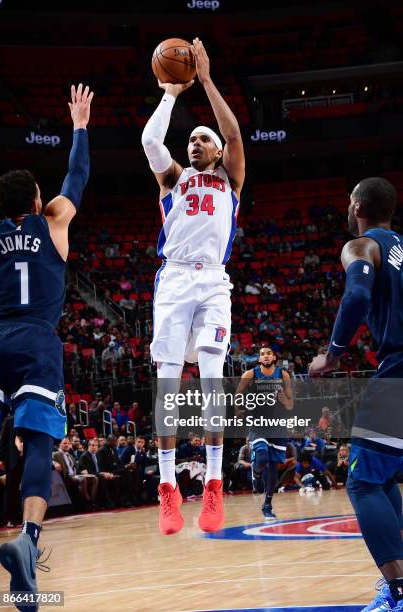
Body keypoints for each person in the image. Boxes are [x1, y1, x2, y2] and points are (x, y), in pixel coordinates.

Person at [141, 38, 245, 535]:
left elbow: (233, 130)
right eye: (191, 141)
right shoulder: (174, 181)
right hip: (175, 279)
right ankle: (167, 489)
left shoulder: (231, 178)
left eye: (203, 139)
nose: (195, 143)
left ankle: (214, 486)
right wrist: (172, 94)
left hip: (213, 283)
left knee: (209, 380)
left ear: (219, 151)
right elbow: (150, 143)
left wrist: (205, 79)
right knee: (166, 383)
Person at [0, 83, 93, 607]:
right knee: (37, 445)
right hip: (37, 344)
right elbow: (76, 177)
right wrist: (79, 126)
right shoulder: (53, 219)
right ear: (37, 200)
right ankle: (28, 543)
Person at [309, 177, 403, 611]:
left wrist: (332, 355)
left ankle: (399, 592)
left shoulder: (363, 247)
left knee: (363, 480)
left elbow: (356, 297)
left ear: (359, 206)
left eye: (349, 201)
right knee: (383, 476)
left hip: (399, 371)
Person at [235, 346, 293, 520]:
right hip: (258, 423)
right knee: (261, 456)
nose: (265, 356)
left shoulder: (283, 375)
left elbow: (291, 404)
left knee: (274, 466)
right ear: (259, 359)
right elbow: (238, 394)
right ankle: (256, 472)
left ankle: (267, 505)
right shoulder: (250, 375)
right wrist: (239, 411)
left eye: (268, 353)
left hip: (277, 425)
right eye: (262, 354)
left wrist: (285, 401)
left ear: (274, 357)